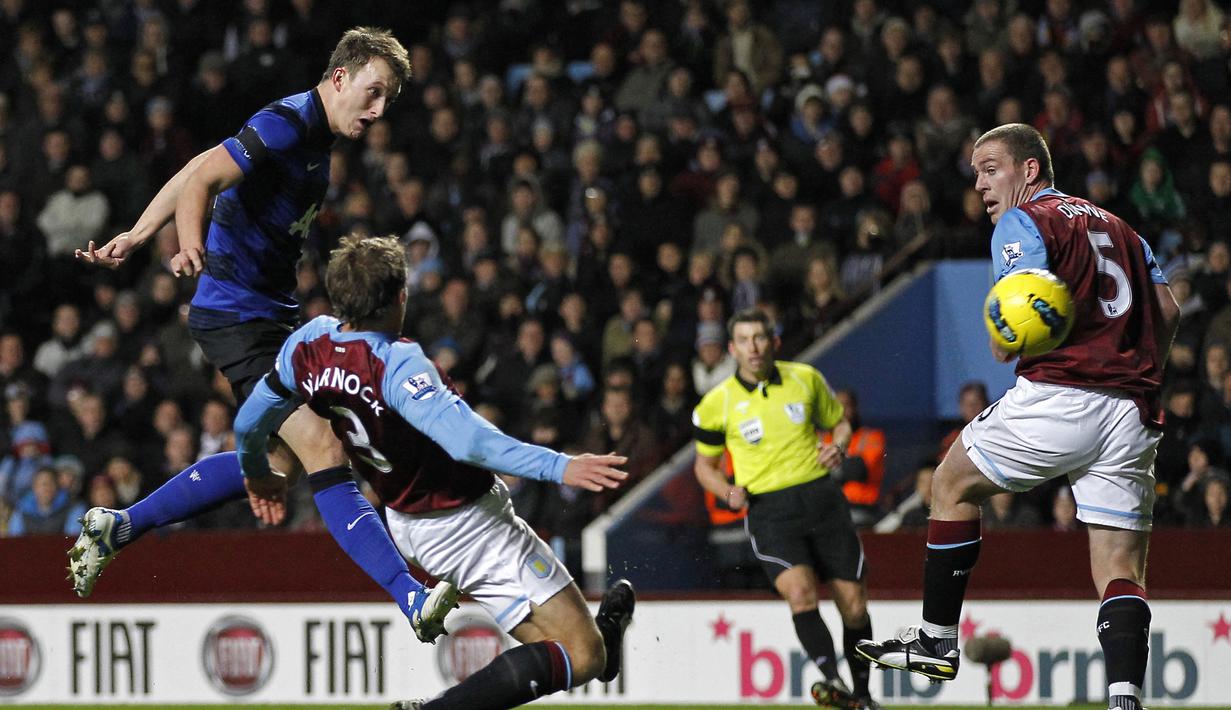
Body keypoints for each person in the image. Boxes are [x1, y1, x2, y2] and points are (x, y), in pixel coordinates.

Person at [67, 29, 445, 639]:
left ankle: (121, 526)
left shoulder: (312, 134)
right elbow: (202, 182)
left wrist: (137, 233)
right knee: (324, 448)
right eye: (373, 93)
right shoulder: (288, 122)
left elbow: (197, 166)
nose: (378, 112)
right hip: (237, 317)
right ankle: (411, 598)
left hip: (272, 314)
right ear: (340, 77)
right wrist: (186, 242)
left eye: (388, 101)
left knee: (284, 463)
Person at [232, 235, 636, 709]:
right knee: (581, 655)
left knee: (564, 645)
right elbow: (469, 442)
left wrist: (255, 470)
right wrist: (560, 465)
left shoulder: (308, 344)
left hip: (410, 523)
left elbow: (247, 422)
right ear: (400, 296)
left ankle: (604, 645)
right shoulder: (397, 363)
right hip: (468, 522)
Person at [856, 123, 1180, 710]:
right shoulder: (1120, 227)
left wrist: (1010, 337)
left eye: (989, 168)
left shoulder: (1023, 222)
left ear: (1029, 171)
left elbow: (1014, 325)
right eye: (975, 173)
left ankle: (936, 639)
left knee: (951, 481)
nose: (979, 184)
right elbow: (1166, 307)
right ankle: (1126, 697)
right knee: (1119, 565)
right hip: (1133, 410)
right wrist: (1138, 366)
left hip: (1061, 392)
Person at [692, 309, 878, 710]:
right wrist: (727, 492)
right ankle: (836, 685)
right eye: (744, 340)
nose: (753, 347)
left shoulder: (805, 378)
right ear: (731, 349)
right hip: (770, 511)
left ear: (773, 341)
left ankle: (863, 697)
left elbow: (840, 424)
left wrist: (839, 446)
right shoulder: (715, 404)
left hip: (822, 500)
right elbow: (703, 468)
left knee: (855, 605)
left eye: (760, 337)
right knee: (800, 594)